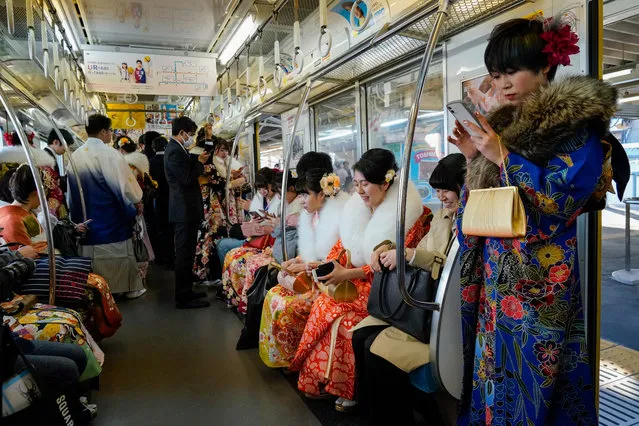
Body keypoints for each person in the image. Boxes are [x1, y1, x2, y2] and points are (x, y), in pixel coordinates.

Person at [448, 17, 619, 425]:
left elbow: (560, 202)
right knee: (495, 373)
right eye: (495, 75)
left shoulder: (577, 129)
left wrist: (502, 157)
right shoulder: (504, 128)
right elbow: (480, 216)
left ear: (545, 67)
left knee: (538, 376)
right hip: (498, 280)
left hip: (541, 283)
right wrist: (475, 159)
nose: (503, 84)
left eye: (512, 71)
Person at [290, 148, 432, 411]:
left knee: (344, 318)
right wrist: (323, 266)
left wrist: (349, 274)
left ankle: (348, 387)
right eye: (356, 184)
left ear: (385, 182)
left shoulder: (408, 216)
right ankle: (324, 380)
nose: (360, 191)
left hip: (385, 288)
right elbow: (342, 249)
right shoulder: (358, 209)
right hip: (358, 280)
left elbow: (387, 265)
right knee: (325, 303)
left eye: (365, 184)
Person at [353, 153, 466, 426]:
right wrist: (388, 248)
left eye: (446, 190)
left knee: (375, 350)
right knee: (360, 337)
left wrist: (410, 255)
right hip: (421, 299)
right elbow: (426, 249)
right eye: (437, 190)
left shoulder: (466, 224)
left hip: (441, 309)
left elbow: (448, 268)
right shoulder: (441, 217)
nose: (441, 196)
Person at [259, 161, 350, 368]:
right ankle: (284, 356)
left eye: (305, 195)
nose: (301, 200)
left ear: (321, 195)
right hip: (314, 273)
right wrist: (299, 260)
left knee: (286, 307)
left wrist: (307, 265)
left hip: (329, 281)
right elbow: (313, 252)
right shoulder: (314, 216)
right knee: (273, 296)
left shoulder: (340, 218)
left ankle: (293, 358)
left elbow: (337, 258)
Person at [68, 114, 144, 299]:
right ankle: (125, 287)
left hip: (85, 216)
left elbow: (71, 193)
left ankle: (94, 288)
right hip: (111, 216)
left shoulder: (75, 156)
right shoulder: (110, 154)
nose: (110, 134)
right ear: (103, 131)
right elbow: (125, 185)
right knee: (118, 252)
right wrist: (137, 200)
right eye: (110, 130)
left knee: (91, 254)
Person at [219, 167, 284, 310]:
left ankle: (235, 292)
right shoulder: (261, 198)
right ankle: (229, 288)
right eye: (259, 188)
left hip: (265, 240)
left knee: (227, 249)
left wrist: (252, 211)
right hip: (256, 236)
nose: (262, 191)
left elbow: (273, 225)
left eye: (264, 187)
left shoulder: (280, 200)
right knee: (227, 249)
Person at [165, 116, 211, 309]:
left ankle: (187, 290)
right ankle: (182, 298)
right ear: (182, 132)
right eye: (190, 134)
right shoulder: (174, 151)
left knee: (188, 252)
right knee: (184, 254)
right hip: (183, 211)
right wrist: (199, 163)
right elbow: (186, 178)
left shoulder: (179, 149)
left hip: (186, 210)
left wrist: (195, 159)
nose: (190, 138)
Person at [117, 136, 157, 287]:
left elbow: (126, 189)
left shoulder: (127, 167)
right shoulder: (142, 164)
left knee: (133, 241)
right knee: (141, 237)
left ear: (121, 150)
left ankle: (137, 276)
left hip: (130, 206)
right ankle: (142, 273)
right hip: (141, 204)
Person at [192, 136, 229, 284]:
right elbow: (219, 183)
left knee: (202, 237)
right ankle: (211, 274)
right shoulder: (210, 167)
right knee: (214, 235)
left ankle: (199, 272)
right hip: (210, 204)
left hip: (199, 201)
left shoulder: (195, 164)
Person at [149, 136, 173, 269]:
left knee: (161, 230)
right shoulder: (171, 159)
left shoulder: (151, 162)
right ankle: (172, 259)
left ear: (153, 148)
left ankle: (161, 257)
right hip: (174, 199)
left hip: (158, 200)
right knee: (173, 231)